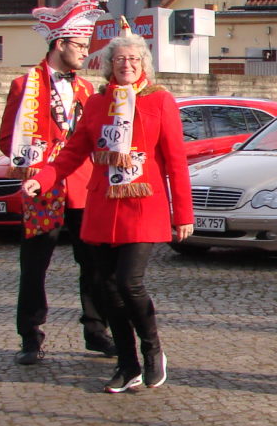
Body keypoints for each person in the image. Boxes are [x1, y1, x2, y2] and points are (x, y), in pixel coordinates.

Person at [23, 20, 193, 393]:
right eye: (119, 58)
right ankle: (127, 363)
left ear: (144, 63)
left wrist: (183, 214)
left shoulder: (159, 100)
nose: (126, 64)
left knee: (128, 283)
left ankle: (152, 351)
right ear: (109, 64)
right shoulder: (98, 103)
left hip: (142, 205)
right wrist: (43, 178)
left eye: (133, 58)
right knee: (105, 287)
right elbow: (72, 153)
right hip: (102, 208)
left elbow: (176, 161)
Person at [0, 0, 114, 365]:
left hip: (82, 188)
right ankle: (30, 335)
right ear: (59, 43)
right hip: (44, 188)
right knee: (35, 265)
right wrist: (33, 162)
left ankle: (96, 331)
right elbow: (7, 138)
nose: (85, 52)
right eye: (79, 45)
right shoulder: (25, 86)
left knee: (93, 262)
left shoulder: (84, 88)